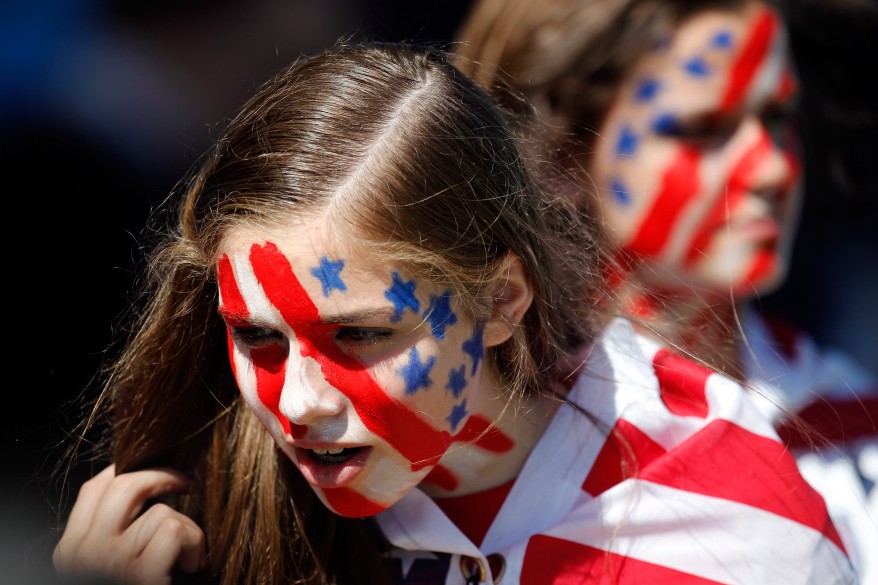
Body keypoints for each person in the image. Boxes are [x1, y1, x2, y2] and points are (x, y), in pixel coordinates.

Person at [52, 41, 855, 585]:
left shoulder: (728, 533)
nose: (298, 402)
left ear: (504, 299)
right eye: (257, 334)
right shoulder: (198, 501)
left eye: (360, 334)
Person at [453, 0, 878, 581]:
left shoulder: (849, 420)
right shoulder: (480, 443)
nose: (772, 168)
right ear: (560, 158)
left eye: (778, 119)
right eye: (704, 129)